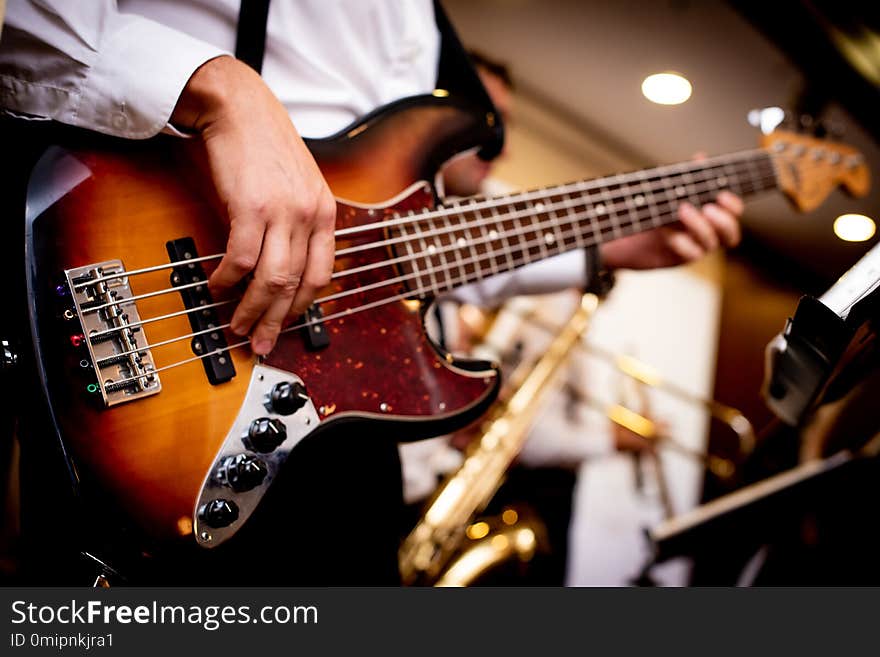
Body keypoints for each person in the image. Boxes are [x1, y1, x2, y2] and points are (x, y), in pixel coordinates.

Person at [0, 1, 743, 585]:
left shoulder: (421, 20)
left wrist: (599, 246)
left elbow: (387, 240)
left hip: (338, 414)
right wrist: (220, 91)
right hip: (138, 288)